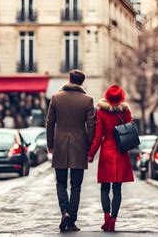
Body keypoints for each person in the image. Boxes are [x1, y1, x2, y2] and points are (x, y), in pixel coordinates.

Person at [46, 70, 95, 232]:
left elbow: (50, 123)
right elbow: (91, 126)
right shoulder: (88, 100)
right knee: (76, 185)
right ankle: (72, 219)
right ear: (82, 82)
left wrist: (50, 143)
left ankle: (64, 211)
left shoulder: (56, 98)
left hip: (59, 144)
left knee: (60, 182)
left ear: (69, 80)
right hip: (79, 145)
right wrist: (88, 145)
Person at [88, 85, 134, 232]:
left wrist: (91, 153)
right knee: (117, 188)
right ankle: (114, 218)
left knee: (104, 187)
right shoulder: (125, 111)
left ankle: (106, 217)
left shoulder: (101, 112)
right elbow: (130, 129)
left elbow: (98, 135)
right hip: (121, 151)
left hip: (107, 152)